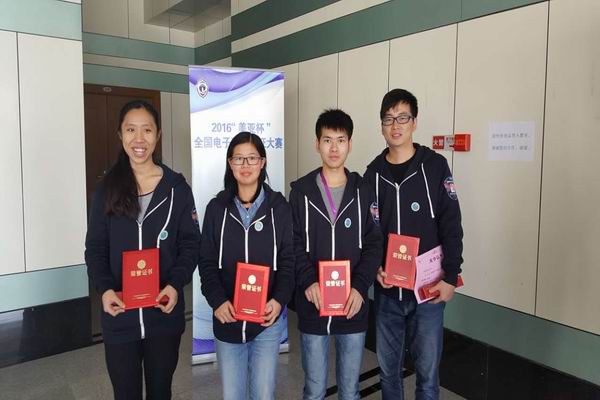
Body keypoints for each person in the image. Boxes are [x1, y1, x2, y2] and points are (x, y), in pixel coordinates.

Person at [85, 100, 201, 400]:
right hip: (120, 315)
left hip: (163, 314)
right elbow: (95, 248)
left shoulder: (176, 189)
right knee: (126, 394)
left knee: (161, 392)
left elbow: (191, 244)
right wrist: (105, 290)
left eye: (147, 130)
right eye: (131, 130)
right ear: (120, 134)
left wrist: (175, 285)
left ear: (158, 135)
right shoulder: (107, 189)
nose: (139, 139)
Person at [363, 89, 464, 400]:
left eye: (403, 118)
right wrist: (375, 268)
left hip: (428, 291)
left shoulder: (434, 166)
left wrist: (451, 277)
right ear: (381, 126)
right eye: (389, 119)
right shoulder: (372, 174)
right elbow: (368, 233)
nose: (396, 126)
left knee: (428, 376)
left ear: (414, 122)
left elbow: (451, 224)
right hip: (388, 294)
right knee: (388, 373)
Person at [289, 109, 382, 400]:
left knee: (350, 390)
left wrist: (360, 286)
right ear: (317, 144)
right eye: (327, 140)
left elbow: (374, 243)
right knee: (314, 389)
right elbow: (292, 243)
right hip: (313, 303)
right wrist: (308, 281)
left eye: (340, 140)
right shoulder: (301, 192)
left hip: (352, 304)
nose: (334, 148)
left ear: (349, 144)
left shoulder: (363, 190)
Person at [198, 132, 295, 400]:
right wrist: (218, 302)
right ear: (230, 163)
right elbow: (206, 262)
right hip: (228, 321)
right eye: (238, 158)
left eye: (252, 158)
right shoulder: (217, 209)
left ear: (262, 162)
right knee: (233, 396)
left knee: (263, 394)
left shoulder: (279, 209)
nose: (245, 165)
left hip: (266, 321)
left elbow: (288, 261)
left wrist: (279, 301)